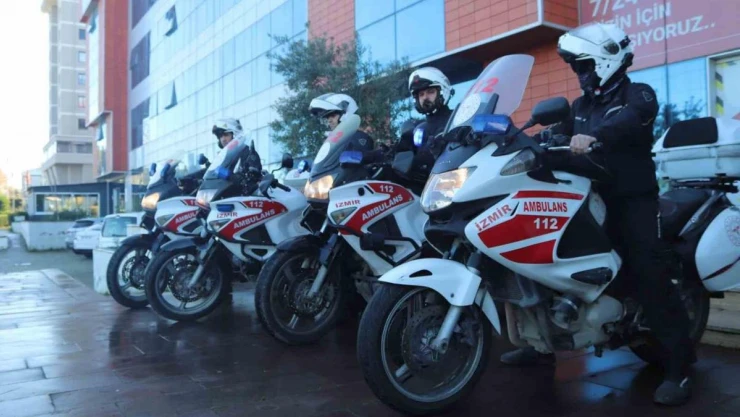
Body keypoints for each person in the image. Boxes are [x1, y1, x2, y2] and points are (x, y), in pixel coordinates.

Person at [500, 22, 695, 406]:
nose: (580, 73)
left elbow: (627, 122)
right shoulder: (581, 106)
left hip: (632, 201)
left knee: (648, 272)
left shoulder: (638, 94)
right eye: (577, 66)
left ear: (607, 60)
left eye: (584, 65)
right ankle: (541, 345)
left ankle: (680, 368)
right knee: (542, 261)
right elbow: (554, 135)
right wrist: (516, 142)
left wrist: (595, 137)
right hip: (587, 199)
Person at [309, 93, 374, 152]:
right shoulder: (334, 141)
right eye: (327, 118)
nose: (329, 121)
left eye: (333, 116)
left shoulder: (358, 137)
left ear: (346, 113)